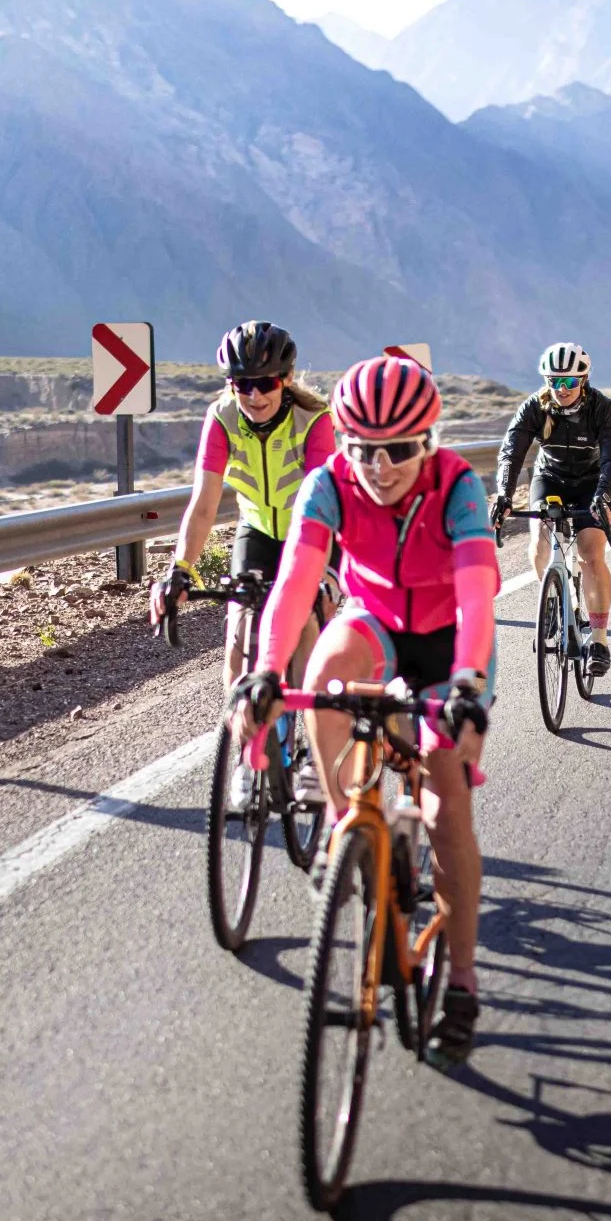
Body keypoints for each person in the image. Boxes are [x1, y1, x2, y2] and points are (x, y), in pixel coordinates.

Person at [230, 355, 496, 1070]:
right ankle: (347, 815)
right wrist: (261, 673)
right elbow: (293, 584)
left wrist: (468, 687)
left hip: (449, 646)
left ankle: (463, 979)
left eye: (399, 450)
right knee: (318, 672)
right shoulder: (329, 483)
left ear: (429, 441)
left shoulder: (457, 487)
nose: (380, 467)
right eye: (364, 450)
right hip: (374, 620)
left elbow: (476, 596)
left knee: (446, 810)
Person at [152, 321, 336, 802]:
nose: (254, 396)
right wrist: (180, 569)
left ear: (287, 379)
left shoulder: (314, 421)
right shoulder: (222, 418)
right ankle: (248, 754)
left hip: (309, 531)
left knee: (307, 630)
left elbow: (323, 502)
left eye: (266, 383)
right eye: (242, 384)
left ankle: (315, 755)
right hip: (255, 532)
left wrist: (324, 577)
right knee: (239, 634)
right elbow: (204, 504)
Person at [492, 342, 611, 677]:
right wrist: (504, 496)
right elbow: (512, 453)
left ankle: (599, 639)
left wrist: (603, 496)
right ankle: (552, 600)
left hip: (592, 482)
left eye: (569, 382)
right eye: (554, 381)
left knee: (590, 554)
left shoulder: (602, 409)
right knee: (538, 540)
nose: (561, 389)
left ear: (584, 380)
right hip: (549, 477)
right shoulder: (534, 408)